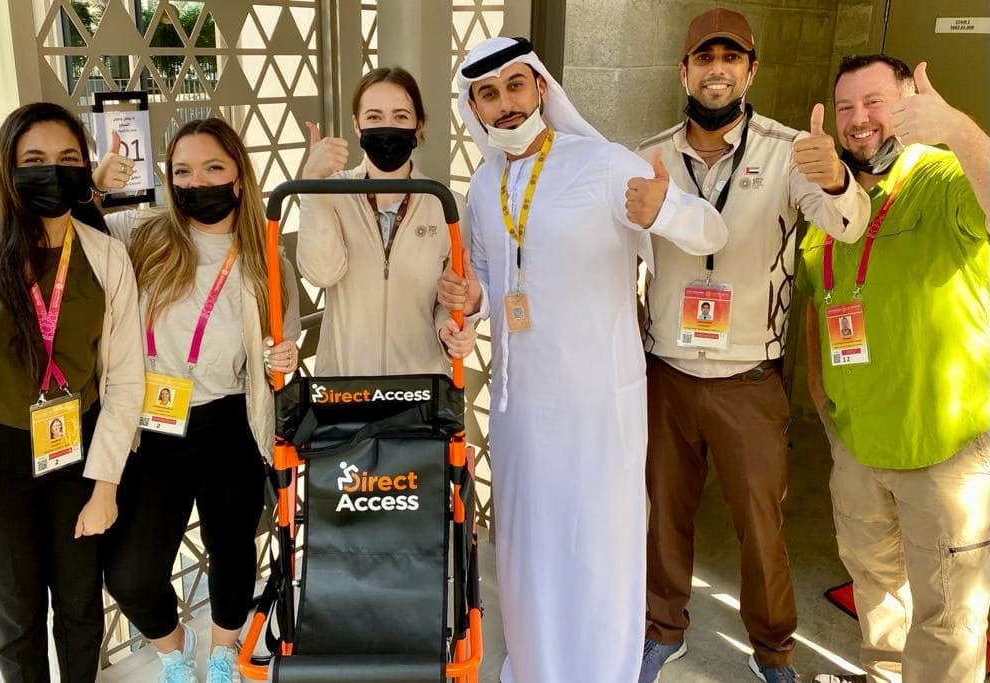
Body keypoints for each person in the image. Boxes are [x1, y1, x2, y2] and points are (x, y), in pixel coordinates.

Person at [439, 36, 728, 683]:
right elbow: (487, 278)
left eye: (516, 86)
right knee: (529, 552)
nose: (505, 104)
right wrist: (470, 295)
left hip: (599, 407)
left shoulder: (602, 164)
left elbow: (711, 231)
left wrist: (666, 209)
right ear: (475, 108)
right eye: (488, 94)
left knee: (596, 552)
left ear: (541, 88)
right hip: (520, 414)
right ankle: (535, 668)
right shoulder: (485, 184)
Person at [634, 9, 873, 683]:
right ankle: (663, 627)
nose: (717, 69)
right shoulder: (649, 154)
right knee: (663, 517)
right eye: (704, 58)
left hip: (748, 377)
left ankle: (773, 650)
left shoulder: (790, 150)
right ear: (683, 71)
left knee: (762, 529)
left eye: (730, 58)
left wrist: (833, 178)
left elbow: (847, 225)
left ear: (751, 69)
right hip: (668, 375)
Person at [799, 55, 990, 683]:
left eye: (875, 103)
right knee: (876, 587)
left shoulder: (942, 177)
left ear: (908, 104)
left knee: (948, 613)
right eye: (847, 106)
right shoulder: (831, 194)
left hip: (942, 447)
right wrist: (822, 398)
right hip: (856, 440)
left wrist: (959, 130)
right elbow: (818, 301)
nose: (859, 121)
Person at [95, 118, 301, 683]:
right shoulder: (138, 234)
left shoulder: (264, 260)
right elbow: (69, 236)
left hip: (227, 422)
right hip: (151, 425)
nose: (197, 181)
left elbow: (278, 345)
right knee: (131, 572)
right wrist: (93, 184)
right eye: (182, 171)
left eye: (213, 167)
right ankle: (173, 653)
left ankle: (222, 653)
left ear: (238, 177)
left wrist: (279, 359)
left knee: (232, 552)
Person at [0, 102, 144, 683]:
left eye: (68, 159)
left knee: (79, 610)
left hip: (80, 453)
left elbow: (124, 380)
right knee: (14, 618)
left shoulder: (106, 256)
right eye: (34, 160)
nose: (53, 171)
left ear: (85, 168)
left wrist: (106, 485)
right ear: (8, 169)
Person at [298, 66, 476, 374]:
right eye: (374, 117)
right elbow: (321, 273)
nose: (387, 126)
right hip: (345, 384)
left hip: (418, 387)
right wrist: (313, 184)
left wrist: (451, 329)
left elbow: (447, 299)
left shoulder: (447, 205)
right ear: (357, 125)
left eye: (401, 116)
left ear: (418, 125)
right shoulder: (333, 192)